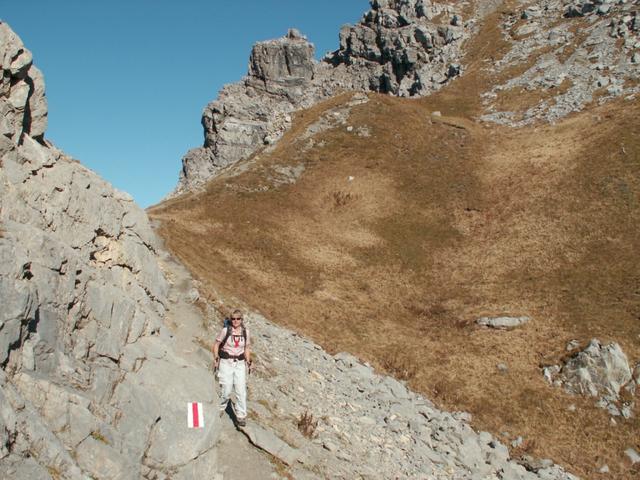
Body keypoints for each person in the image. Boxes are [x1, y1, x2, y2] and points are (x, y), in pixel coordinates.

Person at [213, 309, 253, 427]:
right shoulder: (225, 331)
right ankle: (221, 407)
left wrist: (249, 361)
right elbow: (216, 344)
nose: (235, 321)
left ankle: (241, 415)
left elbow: (247, 348)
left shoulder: (246, 332)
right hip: (226, 362)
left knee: (241, 390)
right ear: (230, 319)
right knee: (226, 389)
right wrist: (216, 358)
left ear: (241, 320)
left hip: (239, 363)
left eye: (238, 319)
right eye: (233, 319)